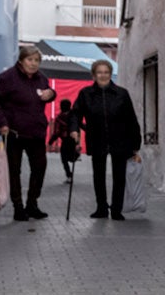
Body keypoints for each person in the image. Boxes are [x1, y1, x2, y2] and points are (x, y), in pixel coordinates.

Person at [0, 43, 57, 221]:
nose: (33, 63)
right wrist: (1, 123)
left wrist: (52, 94)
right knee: (14, 170)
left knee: (39, 168)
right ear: (21, 60)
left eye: (37, 60)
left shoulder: (41, 78)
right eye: (30, 59)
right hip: (14, 132)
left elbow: (48, 92)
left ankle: (32, 204)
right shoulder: (7, 78)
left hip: (36, 132)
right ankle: (18, 207)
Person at [74, 58, 142, 220]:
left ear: (111, 74)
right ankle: (101, 208)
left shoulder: (121, 93)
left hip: (120, 139)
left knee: (119, 176)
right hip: (97, 138)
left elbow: (131, 119)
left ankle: (116, 209)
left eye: (106, 72)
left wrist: (135, 144)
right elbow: (75, 114)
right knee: (98, 175)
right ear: (94, 75)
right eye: (99, 72)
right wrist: (74, 129)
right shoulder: (86, 94)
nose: (103, 75)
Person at [56, 97, 80, 183]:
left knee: (65, 159)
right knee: (67, 158)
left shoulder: (60, 117)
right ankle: (69, 174)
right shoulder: (73, 115)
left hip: (67, 140)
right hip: (72, 140)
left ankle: (69, 175)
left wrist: (51, 141)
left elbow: (57, 131)